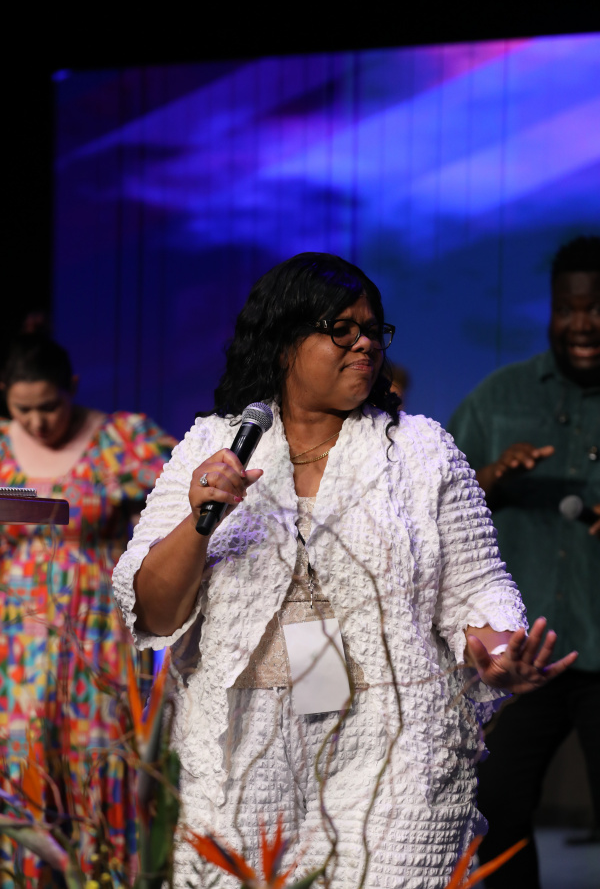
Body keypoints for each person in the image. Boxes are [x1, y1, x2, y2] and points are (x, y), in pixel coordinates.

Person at [113, 252, 576, 889]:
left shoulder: (421, 451)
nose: (365, 343)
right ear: (283, 342)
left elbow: (479, 586)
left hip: (394, 741)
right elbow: (153, 612)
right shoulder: (212, 447)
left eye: (373, 329)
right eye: (341, 329)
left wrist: (497, 647)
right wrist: (201, 520)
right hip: (241, 747)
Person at [447, 235, 600, 888]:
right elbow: (436, 501)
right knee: (498, 807)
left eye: (595, 308)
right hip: (524, 656)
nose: (582, 323)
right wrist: (491, 476)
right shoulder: (499, 396)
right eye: (568, 308)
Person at [0, 335, 175, 885]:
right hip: (17, 642)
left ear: (71, 389)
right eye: (23, 409)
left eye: (49, 406)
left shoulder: (122, 439)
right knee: (22, 760)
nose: (37, 421)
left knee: (100, 759)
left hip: (97, 633)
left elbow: (181, 489)